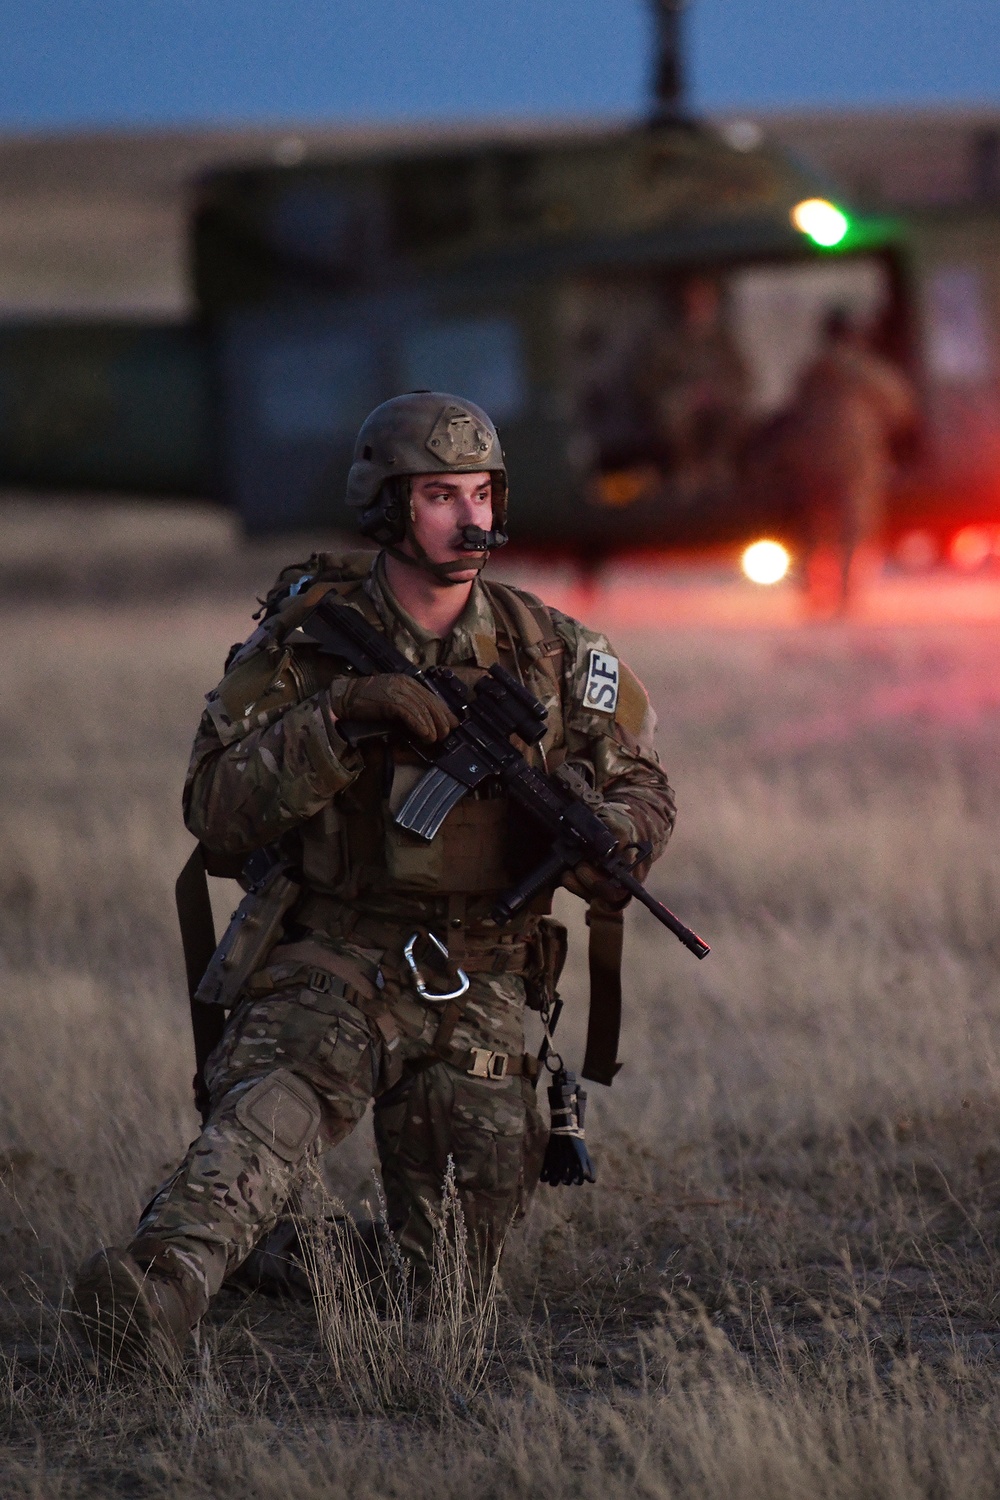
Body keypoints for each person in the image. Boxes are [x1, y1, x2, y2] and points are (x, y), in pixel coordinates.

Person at [72, 392, 677, 1366]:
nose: (470, 517)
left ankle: (266, 1253)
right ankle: (160, 1282)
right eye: (440, 494)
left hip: (478, 974)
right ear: (388, 506)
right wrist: (343, 716)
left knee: (442, 1289)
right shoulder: (308, 641)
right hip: (335, 948)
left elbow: (642, 780)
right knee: (281, 1102)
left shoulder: (554, 648)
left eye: (481, 492)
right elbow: (213, 805)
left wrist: (610, 835)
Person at [780, 308, 916, 616]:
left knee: (815, 525)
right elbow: (900, 403)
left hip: (811, 453)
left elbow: (793, 406)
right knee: (853, 524)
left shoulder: (811, 369)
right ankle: (844, 594)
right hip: (855, 454)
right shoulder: (864, 367)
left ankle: (813, 592)